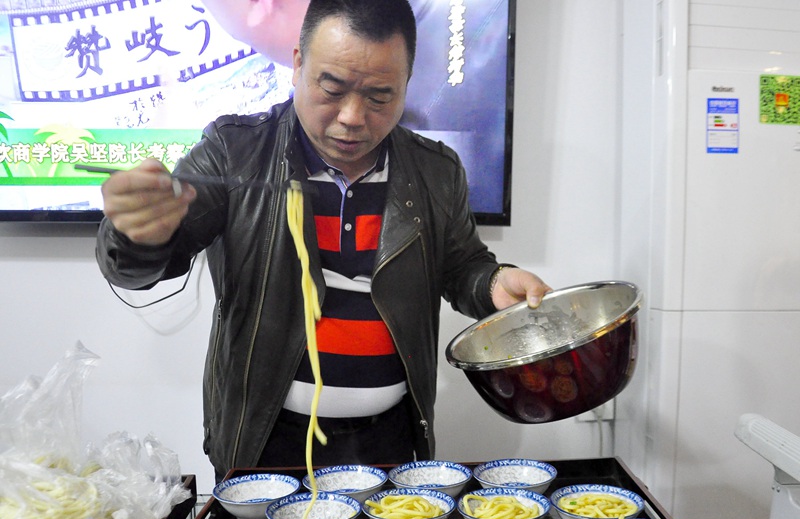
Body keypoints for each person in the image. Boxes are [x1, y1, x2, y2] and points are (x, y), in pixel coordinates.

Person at [95, 0, 551, 480]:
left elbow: (461, 267)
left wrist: (494, 284)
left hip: (391, 441)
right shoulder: (236, 152)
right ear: (296, 64)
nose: (352, 117)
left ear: (407, 85)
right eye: (331, 88)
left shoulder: (436, 170)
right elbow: (143, 266)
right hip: (266, 441)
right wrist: (138, 233)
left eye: (379, 96)